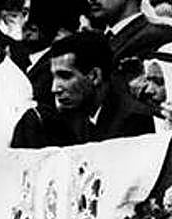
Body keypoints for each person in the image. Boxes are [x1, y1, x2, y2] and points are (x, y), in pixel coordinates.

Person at [12, 31, 155, 146]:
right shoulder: (77, 114)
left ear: (94, 76)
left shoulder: (134, 120)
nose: (55, 88)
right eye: (54, 77)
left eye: (65, 76)